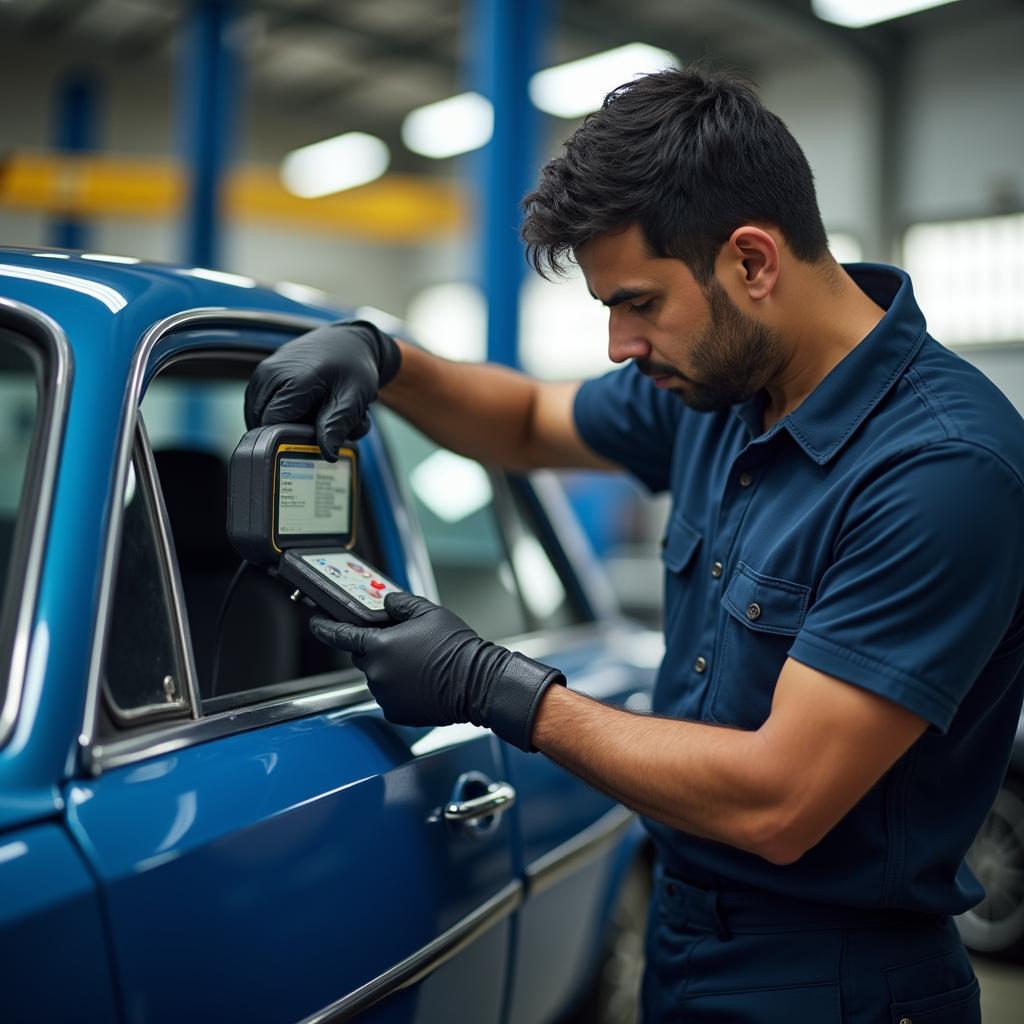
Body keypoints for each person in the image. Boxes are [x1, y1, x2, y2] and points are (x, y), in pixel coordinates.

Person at [244, 66, 1024, 1022]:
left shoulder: (940, 470)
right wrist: (382, 356)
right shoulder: (723, 390)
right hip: (686, 935)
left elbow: (779, 801)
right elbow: (530, 419)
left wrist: (490, 685)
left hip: (837, 983)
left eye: (639, 302)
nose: (619, 344)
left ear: (752, 262)